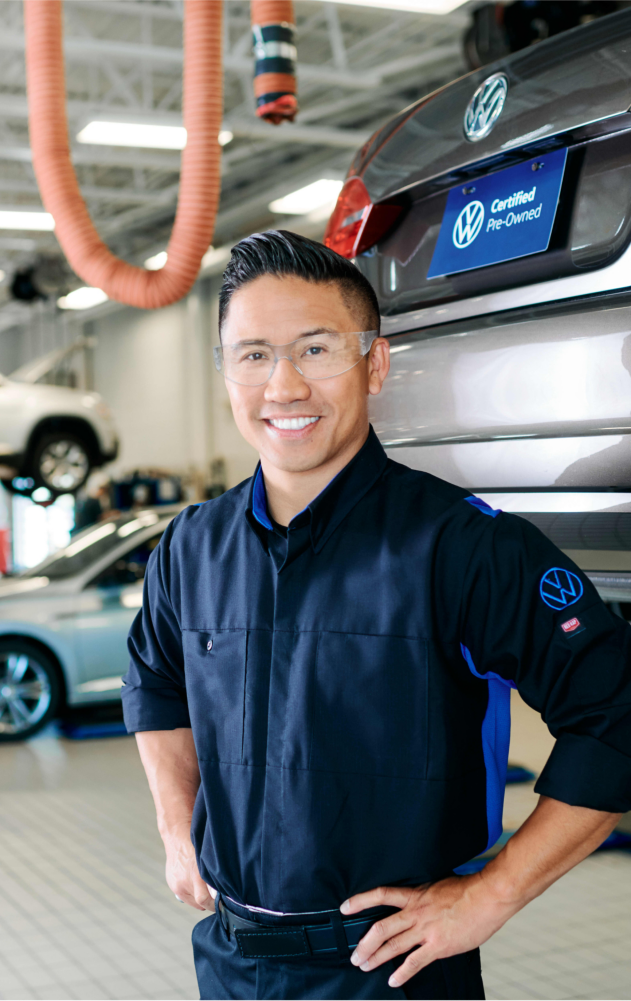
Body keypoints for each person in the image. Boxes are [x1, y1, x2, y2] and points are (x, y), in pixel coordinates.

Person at [121, 230, 631, 1000]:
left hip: (391, 971)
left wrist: (490, 895)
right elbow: (156, 678)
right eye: (253, 354)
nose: (283, 386)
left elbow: (615, 716)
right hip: (229, 962)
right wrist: (174, 822)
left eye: (316, 349)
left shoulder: (465, 546)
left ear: (375, 363)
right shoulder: (191, 547)